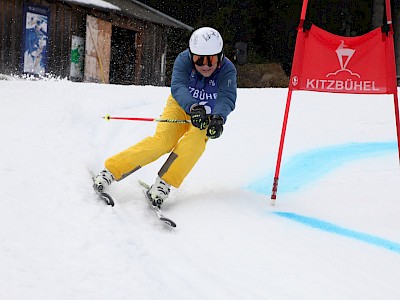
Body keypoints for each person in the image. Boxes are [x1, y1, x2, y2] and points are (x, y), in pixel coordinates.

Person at [93, 27, 237, 208]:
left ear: (220, 56)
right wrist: (193, 107)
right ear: (192, 56)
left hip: (207, 114)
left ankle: (163, 184)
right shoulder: (183, 60)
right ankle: (110, 171)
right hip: (180, 106)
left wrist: (218, 119)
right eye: (199, 59)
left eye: (211, 59)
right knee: (163, 141)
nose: (205, 65)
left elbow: (226, 96)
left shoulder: (227, 70)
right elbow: (178, 87)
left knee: (196, 141)